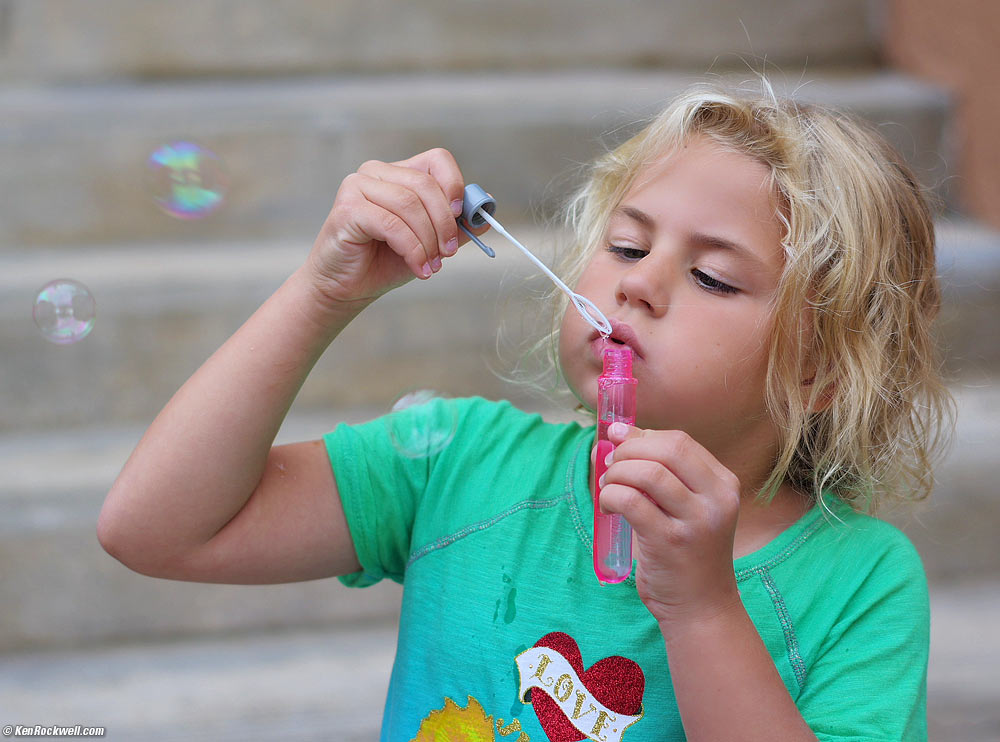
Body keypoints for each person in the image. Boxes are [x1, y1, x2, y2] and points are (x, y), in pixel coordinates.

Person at [98, 80, 953, 741]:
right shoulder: (461, 463)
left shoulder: (861, 582)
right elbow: (157, 529)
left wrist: (701, 609)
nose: (639, 283)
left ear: (823, 372)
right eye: (627, 243)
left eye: (712, 277)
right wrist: (323, 293)